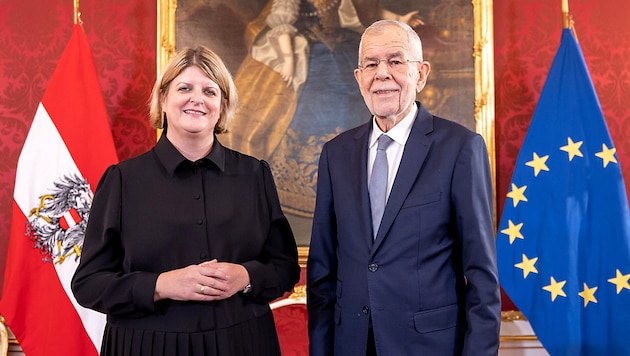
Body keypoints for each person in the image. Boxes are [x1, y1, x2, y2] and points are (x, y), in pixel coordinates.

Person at [71, 46, 301, 356]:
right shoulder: (123, 180)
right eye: (184, 88)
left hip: (242, 343)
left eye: (210, 91)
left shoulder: (254, 174)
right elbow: (89, 284)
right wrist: (161, 285)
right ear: (163, 98)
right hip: (147, 346)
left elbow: (284, 268)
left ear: (222, 105)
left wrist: (245, 277)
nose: (197, 98)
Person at [307, 20, 501, 355]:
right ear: (359, 78)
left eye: (395, 61)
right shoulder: (335, 154)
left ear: (421, 74)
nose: (382, 73)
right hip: (351, 344)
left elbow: (482, 277)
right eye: (371, 63)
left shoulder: (460, 148)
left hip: (429, 345)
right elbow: (322, 273)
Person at [222, 0, 424, 217]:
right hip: (302, 49)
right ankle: (303, 181)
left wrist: (400, 22)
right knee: (314, 96)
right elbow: (282, 24)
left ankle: (357, 179)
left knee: (349, 95)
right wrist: (289, 58)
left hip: (341, 46)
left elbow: (364, 19)